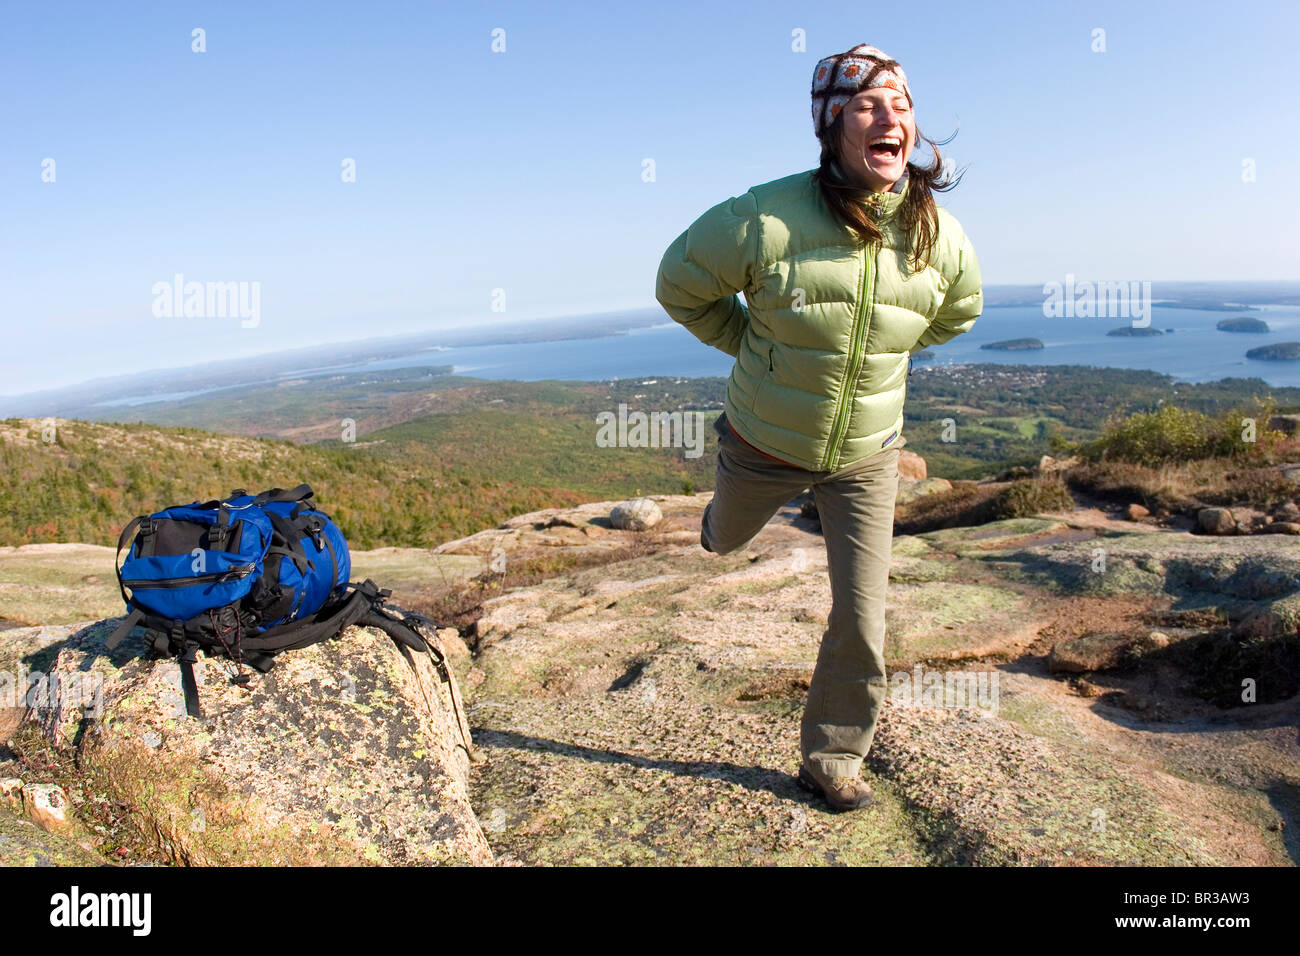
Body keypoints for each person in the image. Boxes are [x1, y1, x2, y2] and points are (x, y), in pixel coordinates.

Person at [654, 43, 982, 811]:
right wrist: (753, 346)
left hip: (868, 456)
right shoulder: (766, 217)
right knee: (724, 542)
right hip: (763, 442)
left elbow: (957, 312)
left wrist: (881, 356)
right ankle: (719, 516)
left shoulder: (940, 235)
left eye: (900, 103)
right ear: (832, 125)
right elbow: (679, 282)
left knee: (865, 618)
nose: (890, 116)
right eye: (868, 104)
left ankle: (832, 761)